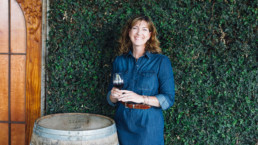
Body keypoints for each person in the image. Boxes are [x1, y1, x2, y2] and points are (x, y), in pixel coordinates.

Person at [107, 15, 175, 145]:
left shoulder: (161, 61)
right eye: (135, 28)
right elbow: (111, 98)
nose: (139, 33)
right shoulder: (119, 61)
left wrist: (141, 98)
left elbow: (168, 98)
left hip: (149, 126)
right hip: (122, 122)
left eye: (144, 29)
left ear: (150, 35)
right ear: (129, 32)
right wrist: (113, 95)